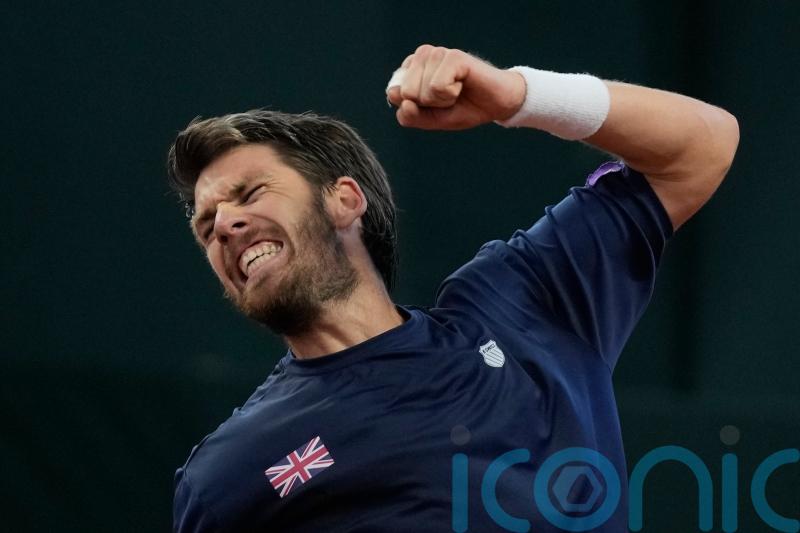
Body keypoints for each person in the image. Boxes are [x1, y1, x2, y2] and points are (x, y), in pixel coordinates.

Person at [168, 45, 738, 532]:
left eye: (250, 193)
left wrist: (519, 96)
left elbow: (701, 146)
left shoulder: (518, 303)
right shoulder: (227, 476)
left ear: (344, 198)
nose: (222, 225)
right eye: (204, 223)